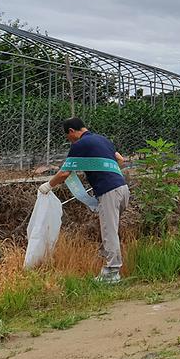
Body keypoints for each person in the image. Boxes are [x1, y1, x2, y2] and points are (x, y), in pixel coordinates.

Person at [39, 117, 129, 283]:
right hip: (123, 189)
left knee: (109, 231)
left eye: (68, 137)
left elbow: (65, 173)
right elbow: (120, 160)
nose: (70, 140)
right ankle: (107, 263)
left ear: (72, 131)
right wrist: (101, 169)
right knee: (110, 229)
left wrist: (48, 186)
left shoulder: (79, 145)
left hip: (109, 191)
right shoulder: (104, 140)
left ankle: (112, 272)